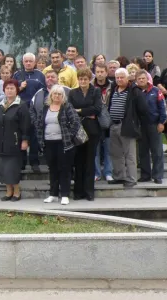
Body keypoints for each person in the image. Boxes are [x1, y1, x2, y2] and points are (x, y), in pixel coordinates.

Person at [35, 84, 81, 205]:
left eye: (59, 94)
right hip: (48, 142)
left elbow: (76, 122)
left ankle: (65, 194)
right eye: (55, 93)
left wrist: (69, 136)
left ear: (63, 96)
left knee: (64, 169)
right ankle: (53, 194)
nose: (57, 96)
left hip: (63, 143)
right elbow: (39, 124)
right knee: (53, 169)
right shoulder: (45, 108)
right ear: (51, 95)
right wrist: (40, 141)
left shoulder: (67, 107)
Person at [107, 68, 148, 188]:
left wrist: (134, 121)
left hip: (126, 126)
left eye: (122, 77)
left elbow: (143, 109)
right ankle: (119, 176)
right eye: (117, 77)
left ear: (127, 78)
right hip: (113, 125)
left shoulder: (134, 91)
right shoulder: (114, 89)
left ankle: (131, 179)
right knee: (116, 154)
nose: (119, 79)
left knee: (129, 154)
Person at [0, 79, 30, 201]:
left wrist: (25, 140)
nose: (9, 90)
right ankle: (8, 191)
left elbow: (26, 125)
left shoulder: (21, 105)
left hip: (14, 142)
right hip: (0, 141)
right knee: (3, 167)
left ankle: (17, 192)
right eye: (7, 88)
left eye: (12, 88)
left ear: (17, 90)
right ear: (4, 90)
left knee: (12, 168)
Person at [68, 68, 102, 201]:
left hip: (92, 130)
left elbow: (97, 109)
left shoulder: (96, 91)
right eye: (81, 79)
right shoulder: (73, 92)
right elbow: (70, 109)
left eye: (85, 79)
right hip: (77, 130)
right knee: (78, 160)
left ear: (90, 79)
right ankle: (78, 192)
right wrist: (87, 112)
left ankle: (89, 192)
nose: (83, 81)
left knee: (89, 161)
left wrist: (80, 110)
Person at [13, 53, 46, 173]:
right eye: (26, 61)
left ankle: (34, 162)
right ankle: (21, 162)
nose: (28, 63)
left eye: (30, 61)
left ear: (34, 62)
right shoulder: (17, 74)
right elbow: (11, 91)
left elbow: (44, 91)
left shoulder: (40, 75)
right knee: (21, 135)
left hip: (35, 110)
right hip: (21, 109)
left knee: (34, 136)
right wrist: (20, 88)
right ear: (23, 62)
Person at [135, 70, 167, 184]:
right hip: (140, 126)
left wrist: (161, 122)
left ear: (147, 79)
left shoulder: (156, 91)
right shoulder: (135, 92)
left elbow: (162, 107)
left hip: (154, 124)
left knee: (157, 151)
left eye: (143, 78)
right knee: (143, 152)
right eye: (139, 79)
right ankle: (145, 175)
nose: (141, 80)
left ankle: (157, 175)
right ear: (136, 80)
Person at [93, 64, 114, 182]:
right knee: (95, 150)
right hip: (94, 121)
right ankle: (96, 173)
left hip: (109, 122)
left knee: (108, 149)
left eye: (102, 72)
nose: (100, 74)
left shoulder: (113, 86)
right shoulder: (90, 86)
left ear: (106, 73)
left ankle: (108, 172)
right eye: (97, 72)